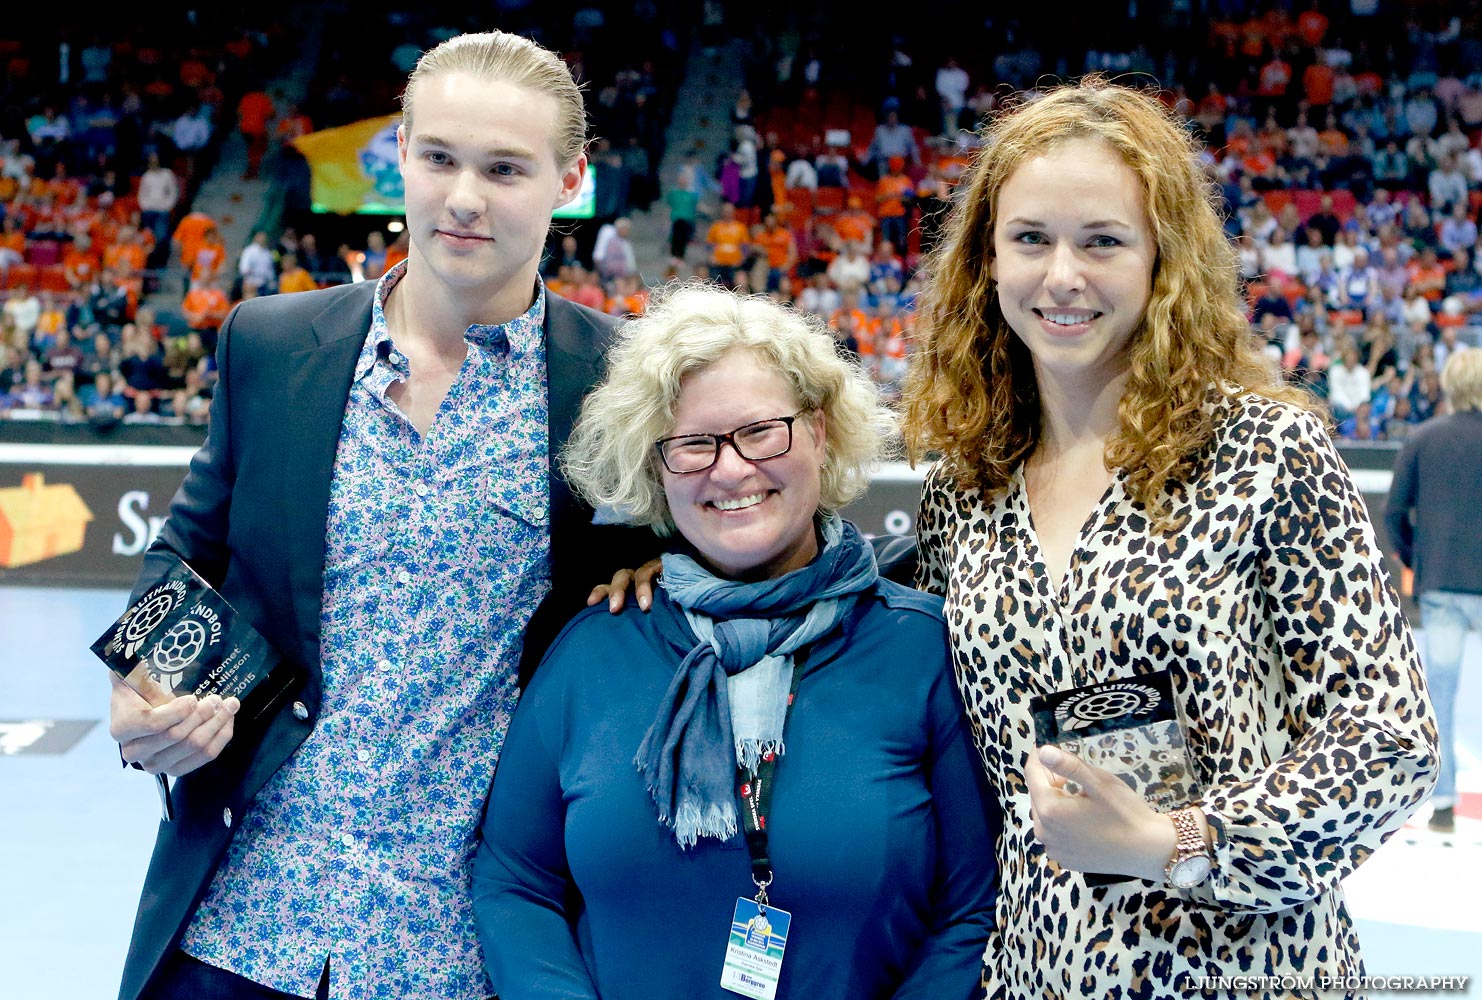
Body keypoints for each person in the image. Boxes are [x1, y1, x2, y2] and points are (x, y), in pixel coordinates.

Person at [107, 31, 653, 1000]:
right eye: (438, 157)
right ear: (397, 153)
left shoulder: (620, 379)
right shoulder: (272, 344)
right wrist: (144, 689)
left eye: (505, 168)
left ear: (570, 178)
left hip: (463, 946)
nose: (464, 197)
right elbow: (188, 551)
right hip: (242, 920)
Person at [900, 80, 1437, 998]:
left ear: (1162, 259)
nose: (1061, 275)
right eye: (1030, 239)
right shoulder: (969, 486)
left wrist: (1176, 843)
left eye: (1102, 241)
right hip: (1034, 970)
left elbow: (1386, 739)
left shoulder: (1265, 452)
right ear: (986, 261)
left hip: (1245, 968)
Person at [472, 282, 1000, 1000]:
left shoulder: (923, 650)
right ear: (657, 467)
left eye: (760, 432)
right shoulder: (597, 648)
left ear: (817, 430)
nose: (730, 470)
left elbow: (975, 911)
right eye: (693, 445)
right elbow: (514, 882)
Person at [1385, 348, 1482, 835]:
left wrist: (1415, 560)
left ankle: (1443, 805)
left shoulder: (1424, 438)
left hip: (1442, 579)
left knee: (1440, 693)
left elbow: (1392, 513)